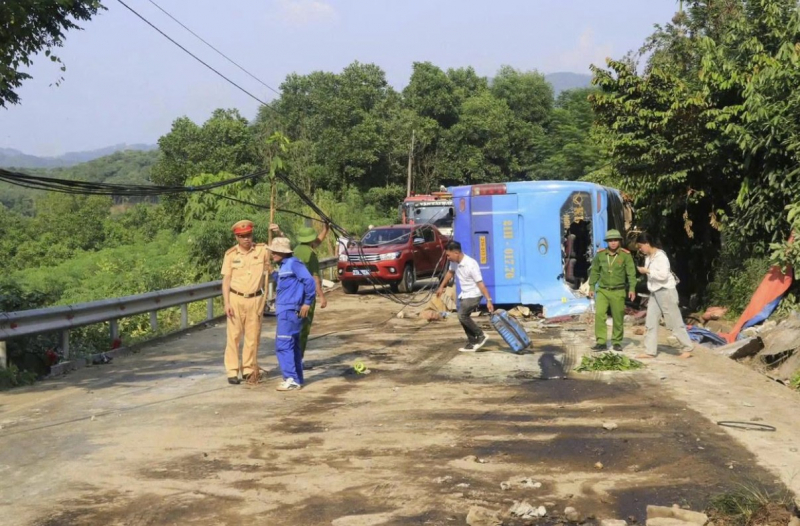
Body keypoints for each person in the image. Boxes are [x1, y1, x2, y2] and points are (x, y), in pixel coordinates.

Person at [270, 223, 329, 369]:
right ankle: (297, 360)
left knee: (292, 329)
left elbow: (317, 241)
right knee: (303, 329)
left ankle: (292, 360)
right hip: (305, 296)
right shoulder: (311, 254)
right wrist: (321, 296)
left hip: (292, 296)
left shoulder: (296, 249)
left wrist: (325, 229)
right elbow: (314, 279)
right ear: (311, 240)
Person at [221, 220, 270, 385]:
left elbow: (280, 253)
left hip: (256, 299)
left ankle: (248, 369)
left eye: (248, 235)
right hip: (236, 299)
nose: (246, 239)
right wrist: (226, 302)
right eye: (242, 236)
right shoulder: (230, 255)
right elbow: (226, 281)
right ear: (236, 237)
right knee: (234, 336)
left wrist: (277, 233)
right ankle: (232, 370)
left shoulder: (262, 250)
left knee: (252, 336)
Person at [635, 233, 695, 359]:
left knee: (674, 320)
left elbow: (663, 275)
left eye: (641, 246)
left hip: (665, 291)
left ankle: (687, 347)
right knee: (650, 321)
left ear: (647, 244)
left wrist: (647, 271)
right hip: (654, 292)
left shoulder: (661, 256)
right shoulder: (648, 258)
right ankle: (650, 350)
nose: (640, 249)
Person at [269, 236, 316, 391]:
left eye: (276, 252)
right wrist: (273, 274)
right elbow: (287, 284)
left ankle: (290, 378)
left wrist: (307, 303)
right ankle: (297, 378)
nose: (273, 254)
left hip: (289, 310)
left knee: (283, 345)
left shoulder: (293, 263)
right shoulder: (284, 266)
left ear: (284, 252)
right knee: (293, 345)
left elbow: (309, 281)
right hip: (286, 309)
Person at [436, 240, 494, 352]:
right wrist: (441, 286)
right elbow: (450, 273)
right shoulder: (454, 262)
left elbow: (480, 283)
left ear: (456, 253)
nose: (447, 258)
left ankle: (481, 335)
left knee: (462, 315)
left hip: (474, 294)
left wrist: (489, 300)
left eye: (448, 255)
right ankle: (472, 342)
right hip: (465, 294)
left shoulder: (471, 264)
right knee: (462, 317)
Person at [588, 229, 637, 352]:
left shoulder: (625, 255)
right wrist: (592, 287)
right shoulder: (600, 255)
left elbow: (631, 273)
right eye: (610, 240)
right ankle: (601, 342)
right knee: (599, 315)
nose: (613, 243)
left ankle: (616, 341)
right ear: (607, 242)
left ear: (619, 241)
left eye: (615, 240)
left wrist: (632, 288)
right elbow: (594, 271)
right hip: (603, 290)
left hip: (618, 290)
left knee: (618, 317)